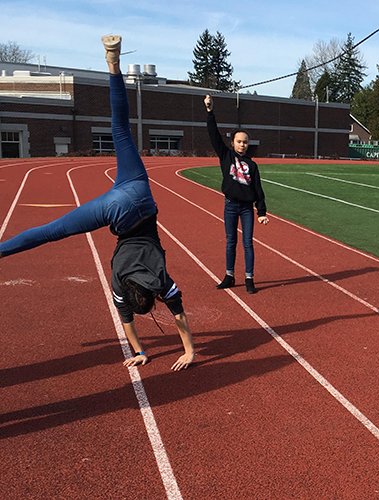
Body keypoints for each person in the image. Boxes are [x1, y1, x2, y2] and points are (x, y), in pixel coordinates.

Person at [0, 35, 194, 371]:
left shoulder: (161, 279)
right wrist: (140, 351)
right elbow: (128, 322)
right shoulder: (121, 282)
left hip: (139, 194)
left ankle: (113, 63)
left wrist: (190, 350)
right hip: (115, 212)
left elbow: (179, 314)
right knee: (52, 231)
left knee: (121, 128)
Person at [204, 94, 269, 294]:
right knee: (230, 241)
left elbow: (258, 188)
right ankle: (229, 275)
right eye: (239, 141)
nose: (242, 145)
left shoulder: (252, 165)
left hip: (247, 208)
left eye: (245, 142)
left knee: (248, 243)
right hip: (230, 205)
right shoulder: (226, 156)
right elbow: (214, 135)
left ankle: (249, 278)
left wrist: (261, 211)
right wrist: (210, 111)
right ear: (232, 143)